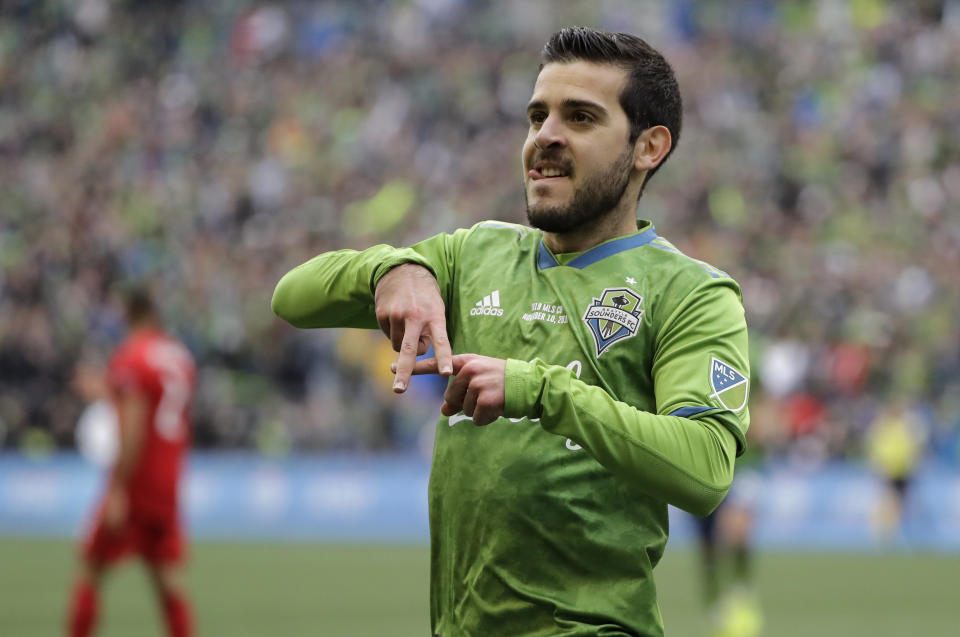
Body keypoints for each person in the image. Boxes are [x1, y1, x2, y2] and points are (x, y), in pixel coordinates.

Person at [272, 26, 751, 636]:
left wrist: (543, 392)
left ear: (648, 147)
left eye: (579, 117)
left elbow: (705, 470)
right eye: (537, 116)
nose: (545, 136)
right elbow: (292, 297)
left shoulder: (690, 292)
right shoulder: (474, 253)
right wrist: (393, 268)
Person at [67, 286, 197, 637]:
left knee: (91, 571)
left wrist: (118, 488)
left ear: (128, 314)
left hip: (137, 479)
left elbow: (134, 428)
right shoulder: (179, 357)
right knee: (168, 582)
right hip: (168, 480)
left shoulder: (132, 357)